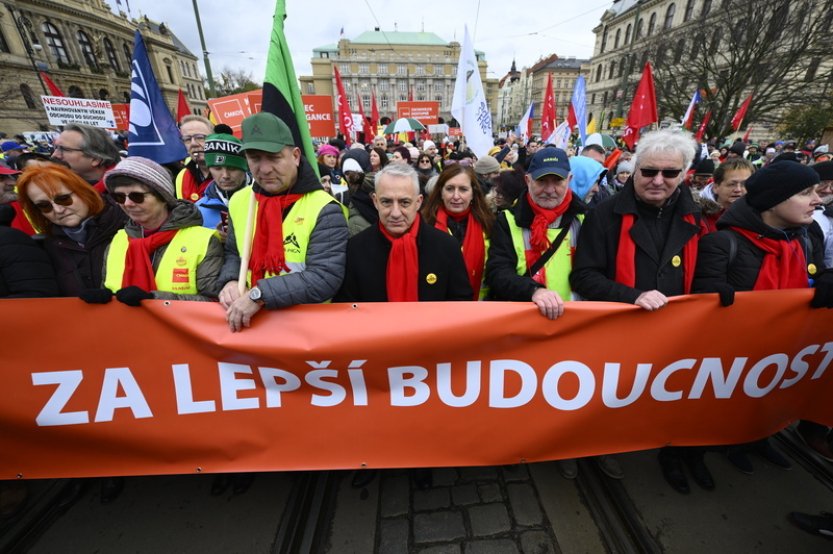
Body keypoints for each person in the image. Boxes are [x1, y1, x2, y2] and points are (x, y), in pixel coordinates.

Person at [570, 129, 709, 494]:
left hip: (679, 335)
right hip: (620, 332)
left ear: (684, 175)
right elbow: (584, 276)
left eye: (669, 173)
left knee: (673, 399)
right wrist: (633, 295)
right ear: (633, 170)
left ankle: (671, 451)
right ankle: (602, 448)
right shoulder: (604, 215)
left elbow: (704, 273)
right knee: (612, 400)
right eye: (648, 171)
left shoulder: (695, 216)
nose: (657, 180)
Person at [693, 161, 830, 474]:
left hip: (780, 357)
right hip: (727, 364)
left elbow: (815, 275)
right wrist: (711, 293)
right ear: (774, 200)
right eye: (805, 192)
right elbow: (701, 311)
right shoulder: (722, 243)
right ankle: (694, 451)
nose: (817, 199)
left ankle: (756, 439)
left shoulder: (806, 239)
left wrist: (826, 278)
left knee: (767, 401)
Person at [217, 112, 348, 332]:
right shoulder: (240, 200)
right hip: (250, 326)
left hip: (305, 333)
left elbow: (324, 278)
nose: (265, 169)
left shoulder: (324, 208)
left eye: (274, 157)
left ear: (296, 156)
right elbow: (234, 253)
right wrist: (230, 281)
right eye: (255, 158)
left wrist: (259, 295)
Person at [335, 163, 472, 303]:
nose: (395, 213)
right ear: (375, 201)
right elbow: (347, 308)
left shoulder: (446, 247)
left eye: (404, 202)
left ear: (418, 202)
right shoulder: (356, 249)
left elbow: (461, 304)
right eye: (386, 202)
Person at [99, 156, 224, 303]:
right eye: (119, 197)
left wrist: (153, 300)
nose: (128, 203)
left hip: (177, 325)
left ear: (163, 197)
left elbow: (213, 302)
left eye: (137, 196)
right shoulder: (119, 240)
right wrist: (104, 299)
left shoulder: (204, 240)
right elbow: (108, 288)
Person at [17, 164, 128, 296]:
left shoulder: (129, 226)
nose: (58, 210)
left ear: (82, 191)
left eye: (63, 199)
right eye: (44, 206)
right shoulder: (48, 246)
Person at [421, 165, 494, 299]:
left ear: (473, 193)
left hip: (480, 309)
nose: (456, 196)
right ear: (441, 192)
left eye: (463, 189)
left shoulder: (489, 226)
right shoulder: (424, 225)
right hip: (435, 310)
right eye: (450, 189)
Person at [195, 133, 252, 234]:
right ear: (209, 169)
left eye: (232, 168)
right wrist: (214, 241)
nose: (225, 175)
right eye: (217, 168)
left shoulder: (263, 201)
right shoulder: (198, 210)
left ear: (245, 168)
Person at [51, 124, 121, 193]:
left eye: (64, 149)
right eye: (56, 147)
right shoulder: (51, 187)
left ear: (95, 159)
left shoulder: (123, 194)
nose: (54, 155)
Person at [698, 158, 754, 233]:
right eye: (732, 184)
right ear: (716, 187)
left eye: (744, 184)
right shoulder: (699, 217)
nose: (738, 189)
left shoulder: (758, 216)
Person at [176, 115, 214, 202]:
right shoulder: (183, 175)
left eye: (200, 137)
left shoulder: (229, 172)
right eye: (187, 139)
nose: (193, 143)